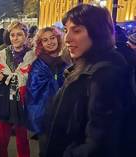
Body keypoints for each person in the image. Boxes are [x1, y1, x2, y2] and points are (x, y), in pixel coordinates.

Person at [41, 4, 136, 157]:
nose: (67, 39)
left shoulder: (104, 76)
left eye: (76, 31)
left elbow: (100, 145)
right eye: (66, 30)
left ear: (97, 32)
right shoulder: (84, 67)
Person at [0, 21, 36, 157]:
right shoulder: (2, 54)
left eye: (19, 34)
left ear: (26, 36)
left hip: (23, 101)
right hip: (4, 100)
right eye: (12, 35)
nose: (15, 38)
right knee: (1, 138)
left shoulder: (33, 56)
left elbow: (34, 79)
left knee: (22, 138)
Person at [24, 27, 67, 155]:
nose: (50, 42)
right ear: (40, 44)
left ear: (58, 39)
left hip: (64, 116)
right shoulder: (38, 65)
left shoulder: (65, 61)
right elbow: (34, 92)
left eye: (52, 38)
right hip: (45, 118)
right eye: (45, 40)